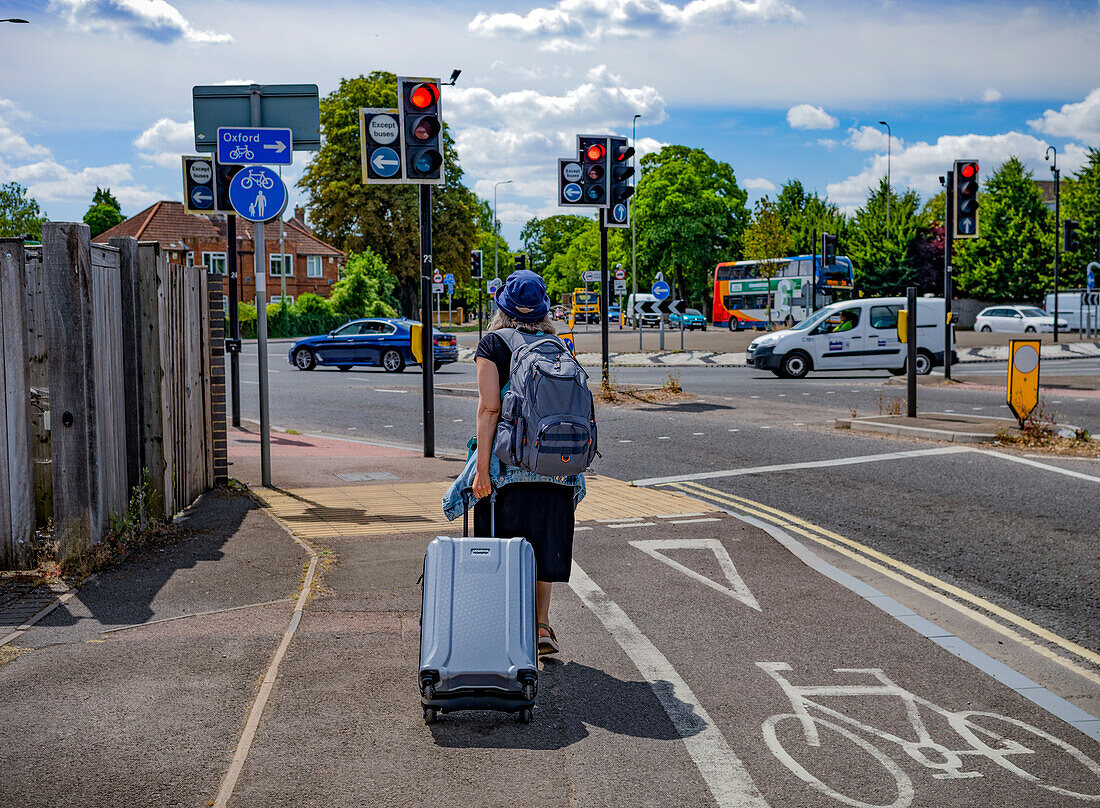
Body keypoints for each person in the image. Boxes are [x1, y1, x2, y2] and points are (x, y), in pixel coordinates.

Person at [442, 270, 585, 656]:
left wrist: (483, 471)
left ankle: (503, 630)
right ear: (543, 309)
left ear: (502, 306)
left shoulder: (493, 344)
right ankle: (541, 627)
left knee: (504, 550)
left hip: (509, 470)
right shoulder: (558, 344)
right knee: (542, 549)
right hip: (558, 467)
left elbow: (490, 409)